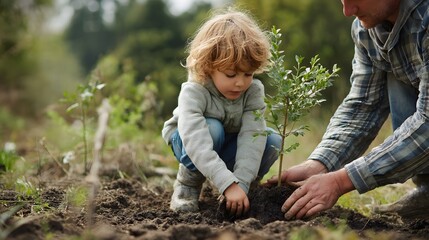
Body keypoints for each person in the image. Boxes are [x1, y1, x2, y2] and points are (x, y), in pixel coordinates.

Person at [266, 0, 429, 220]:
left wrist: (341, 180)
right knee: (395, 69)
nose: (347, 11)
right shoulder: (366, 30)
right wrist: (321, 163)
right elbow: (363, 105)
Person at [162, 9, 282, 217]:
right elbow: (196, 141)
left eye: (248, 74)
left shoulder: (253, 92)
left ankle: (242, 190)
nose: (240, 82)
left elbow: (251, 139)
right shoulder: (195, 91)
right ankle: (187, 185)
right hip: (189, 143)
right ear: (209, 67)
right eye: (230, 74)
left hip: (228, 143)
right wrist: (227, 183)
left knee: (271, 139)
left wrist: (240, 184)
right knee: (212, 129)